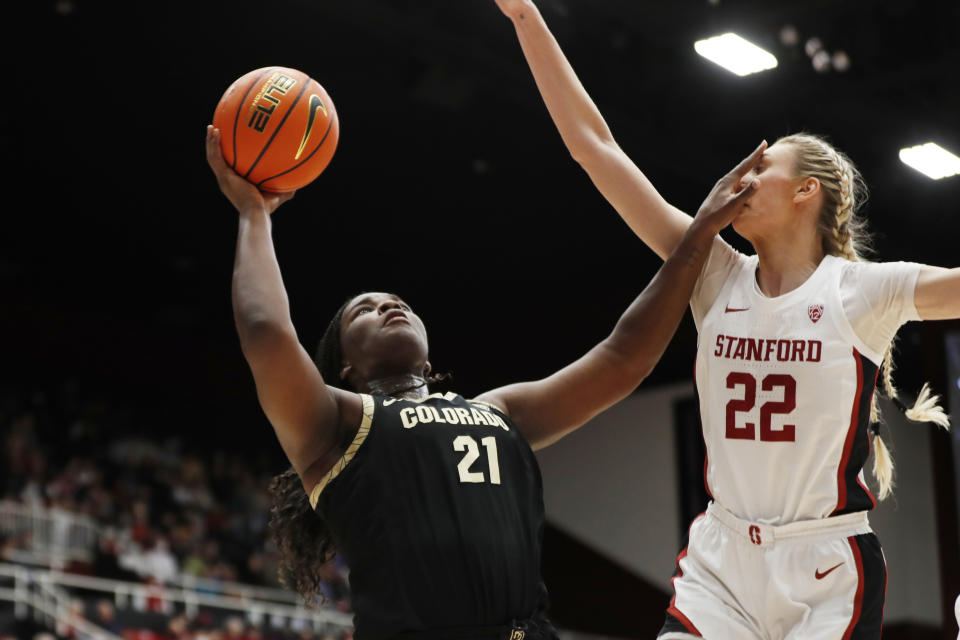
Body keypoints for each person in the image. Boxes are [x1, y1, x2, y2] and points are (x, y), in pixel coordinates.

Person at [491, 1, 960, 637]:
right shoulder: (713, 270)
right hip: (724, 557)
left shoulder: (864, 291)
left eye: (764, 168)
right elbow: (595, 149)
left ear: (806, 192)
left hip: (825, 563)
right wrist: (526, 18)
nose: (744, 177)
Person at [204, 122, 764, 639]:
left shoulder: (499, 410)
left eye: (397, 301)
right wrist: (255, 215)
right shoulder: (335, 425)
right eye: (365, 311)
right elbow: (266, 330)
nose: (389, 305)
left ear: (428, 357)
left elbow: (622, 360)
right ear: (346, 367)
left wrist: (700, 235)